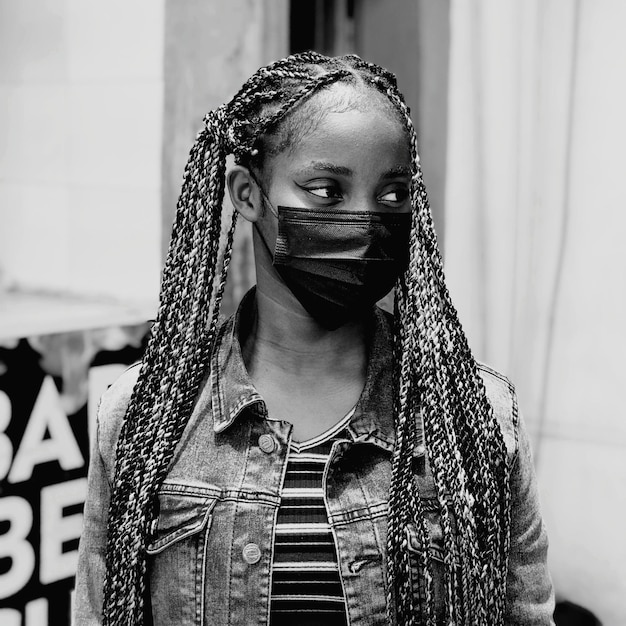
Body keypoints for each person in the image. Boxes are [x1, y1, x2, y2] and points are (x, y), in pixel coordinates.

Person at [74, 52, 555, 626]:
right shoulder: (145, 416)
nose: (367, 221)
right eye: (327, 191)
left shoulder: (475, 417)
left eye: (393, 194)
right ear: (247, 194)